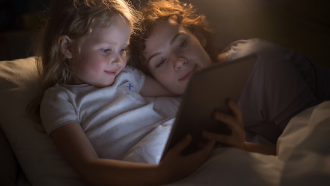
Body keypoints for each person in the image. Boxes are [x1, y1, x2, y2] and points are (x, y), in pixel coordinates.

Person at [34, 0, 215, 185]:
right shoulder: (60, 100)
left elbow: (180, 94)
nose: (119, 60)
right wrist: (162, 173)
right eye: (106, 50)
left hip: (172, 139)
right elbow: (88, 166)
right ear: (67, 47)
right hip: (146, 166)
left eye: (122, 49)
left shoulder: (128, 76)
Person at [129, 0, 330, 155]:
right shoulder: (183, 101)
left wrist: (243, 147)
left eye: (181, 44)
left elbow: (312, 148)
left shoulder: (260, 64)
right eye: (161, 62)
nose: (179, 61)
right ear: (154, 79)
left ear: (200, 38)